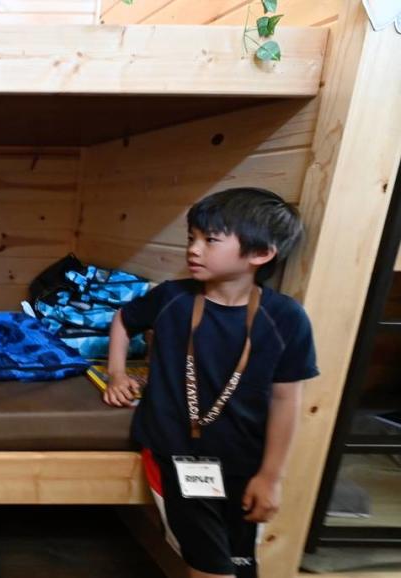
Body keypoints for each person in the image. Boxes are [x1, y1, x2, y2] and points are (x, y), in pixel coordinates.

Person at [103, 188, 319, 578]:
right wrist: (116, 373)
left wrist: (271, 477)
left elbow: (288, 400)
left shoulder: (286, 318)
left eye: (210, 240)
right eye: (192, 238)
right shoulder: (172, 298)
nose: (194, 249)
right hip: (176, 452)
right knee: (211, 568)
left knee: (241, 565)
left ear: (261, 254)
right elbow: (123, 319)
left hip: (243, 459)